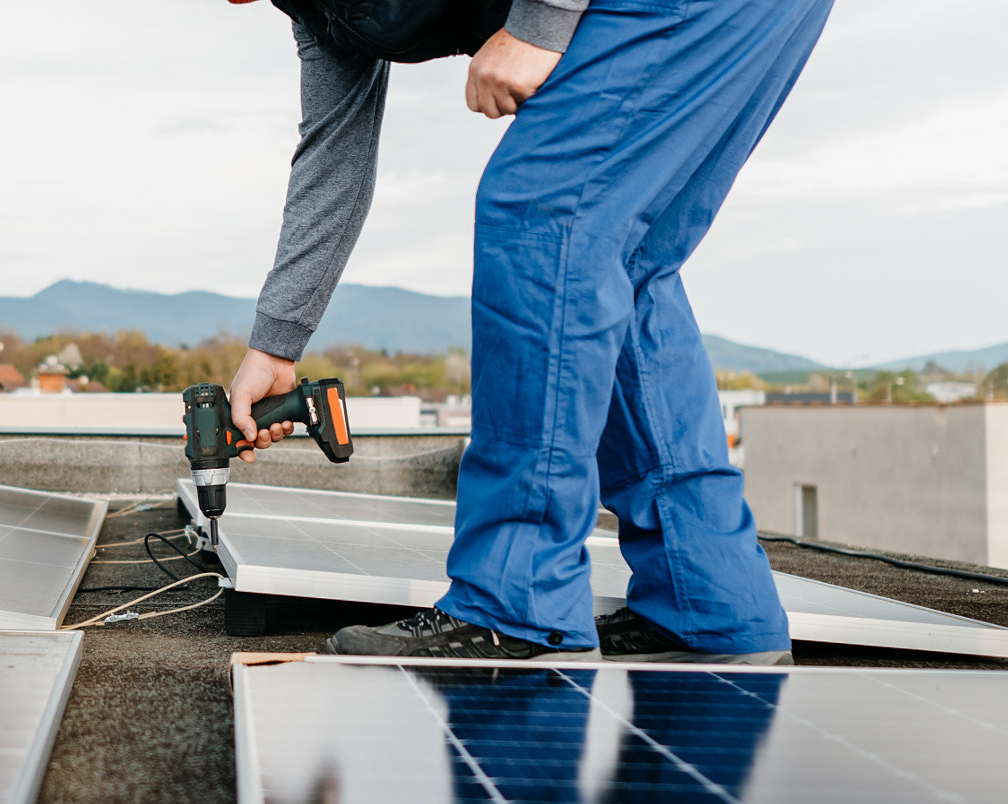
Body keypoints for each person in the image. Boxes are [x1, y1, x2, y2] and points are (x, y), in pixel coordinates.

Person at [225, 0, 834, 664]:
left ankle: (518, 601)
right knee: (621, 262)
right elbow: (332, 157)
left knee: (543, 213)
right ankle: (710, 603)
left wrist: (540, 22)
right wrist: (276, 344)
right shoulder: (318, 15)